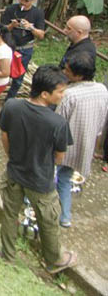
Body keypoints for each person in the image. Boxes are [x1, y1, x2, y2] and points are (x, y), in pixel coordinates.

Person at [0, 65, 77, 274]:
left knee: (10, 213)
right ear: (44, 94)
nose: (63, 95)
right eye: (60, 91)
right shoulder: (57, 123)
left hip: (14, 172)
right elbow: (59, 157)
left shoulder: (12, 106)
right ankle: (53, 260)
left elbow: (4, 136)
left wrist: (13, 158)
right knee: (48, 221)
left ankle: (7, 253)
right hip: (41, 181)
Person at [55, 52, 108, 227]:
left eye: (68, 70)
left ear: (78, 75)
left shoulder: (68, 95)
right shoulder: (102, 89)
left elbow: (58, 124)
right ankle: (65, 217)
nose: (64, 71)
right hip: (86, 143)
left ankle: (38, 206)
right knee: (65, 177)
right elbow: (102, 117)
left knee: (54, 175)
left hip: (65, 146)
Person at [1, 0, 46, 98]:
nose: (23, 2)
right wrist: (12, 25)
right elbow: (2, 29)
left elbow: (41, 35)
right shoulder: (11, 9)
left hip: (25, 49)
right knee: (3, 71)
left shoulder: (37, 13)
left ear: (32, 0)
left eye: (26, 0)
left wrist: (30, 28)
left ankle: (9, 98)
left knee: (18, 77)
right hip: (9, 47)